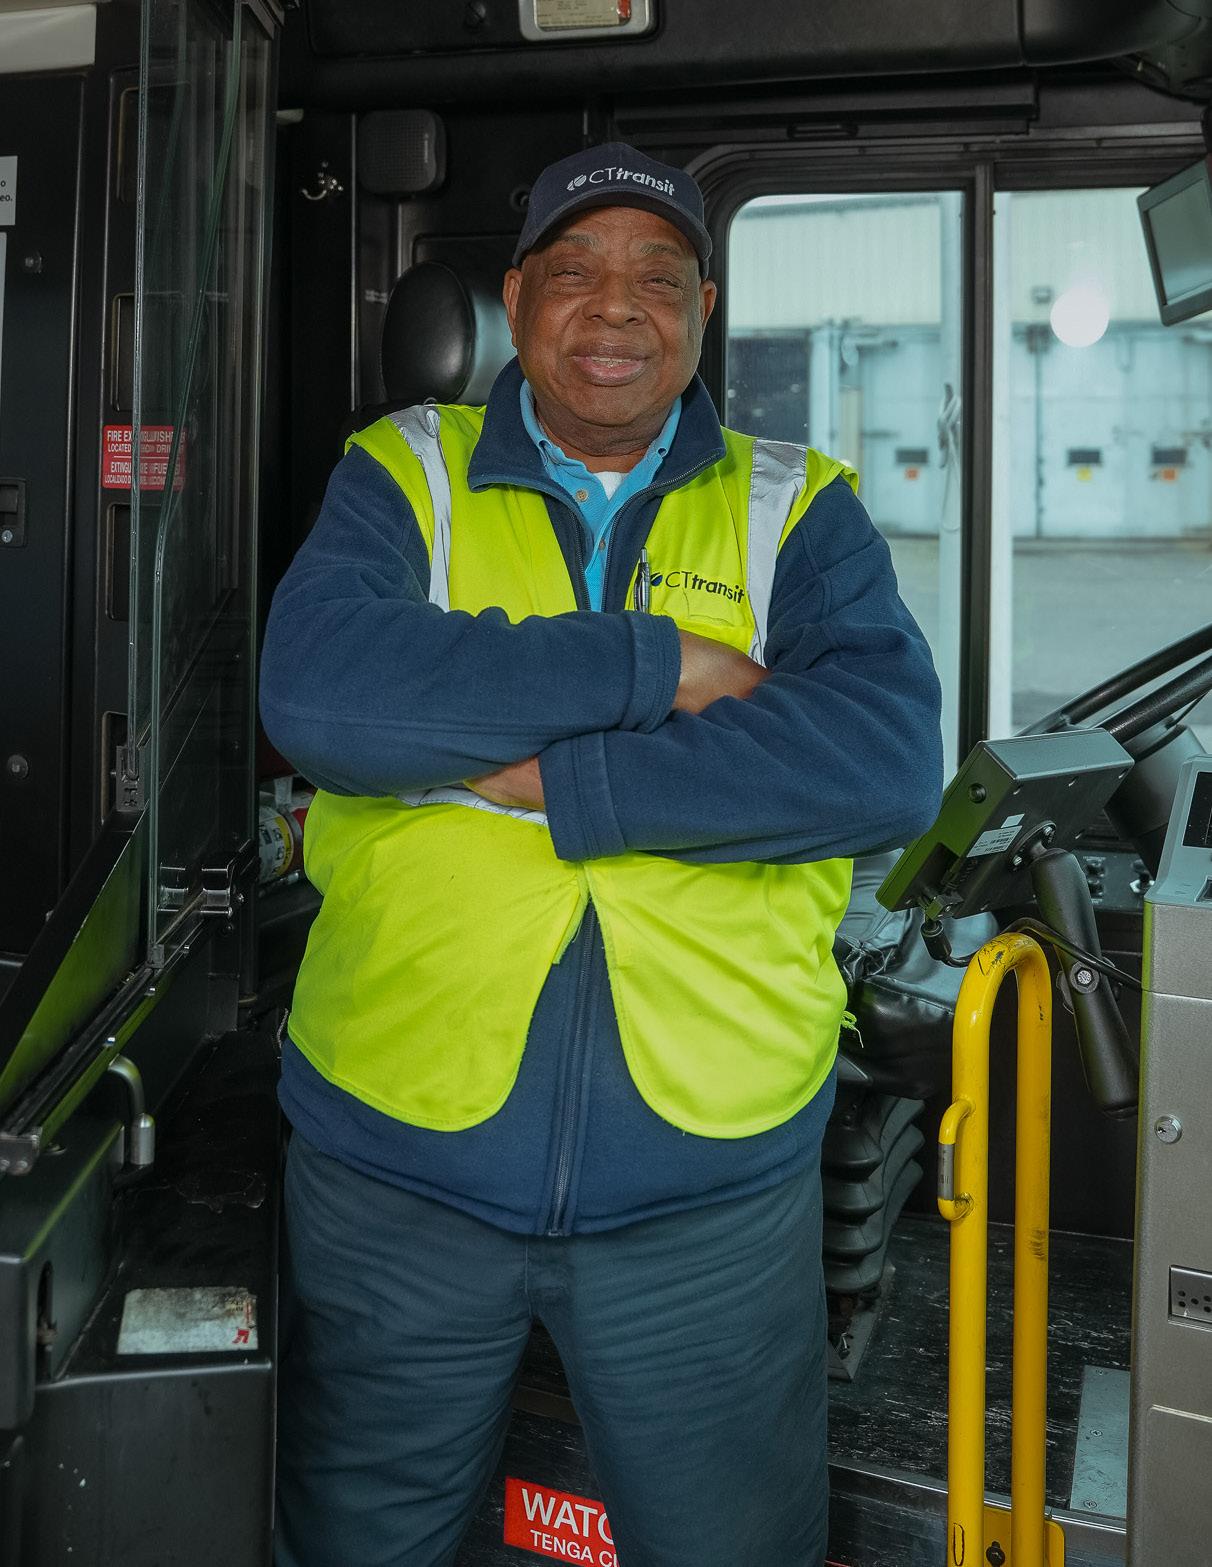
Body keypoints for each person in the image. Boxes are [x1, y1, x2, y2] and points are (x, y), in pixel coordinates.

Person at [260, 141, 942, 1567]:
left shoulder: (795, 506)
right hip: (394, 1173)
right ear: (515, 301)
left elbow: (877, 762)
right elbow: (327, 697)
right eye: (573, 273)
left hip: (708, 1196)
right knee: (359, 1543)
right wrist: (665, 663)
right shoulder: (408, 472)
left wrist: (564, 785)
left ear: (703, 312)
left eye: (658, 279)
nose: (616, 308)